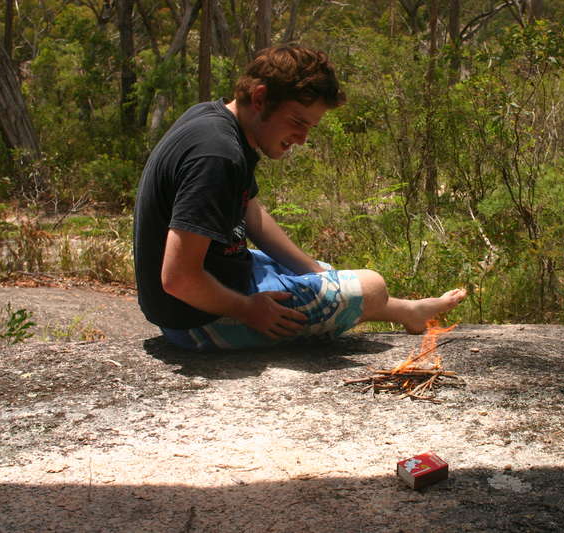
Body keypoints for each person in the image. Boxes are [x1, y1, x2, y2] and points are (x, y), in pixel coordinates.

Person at [133, 46, 466, 351]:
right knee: (372, 286)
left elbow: (251, 213)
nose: (303, 138)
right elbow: (178, 278)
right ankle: (403, 310)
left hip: (217, 280)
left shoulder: (215, 119)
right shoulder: (217, 154)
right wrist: (248, 309)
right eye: (297, 121)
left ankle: (409, 312)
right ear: (260, 98)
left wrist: (312, 272)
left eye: (310, 127)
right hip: (197, 319)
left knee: (325, 273)